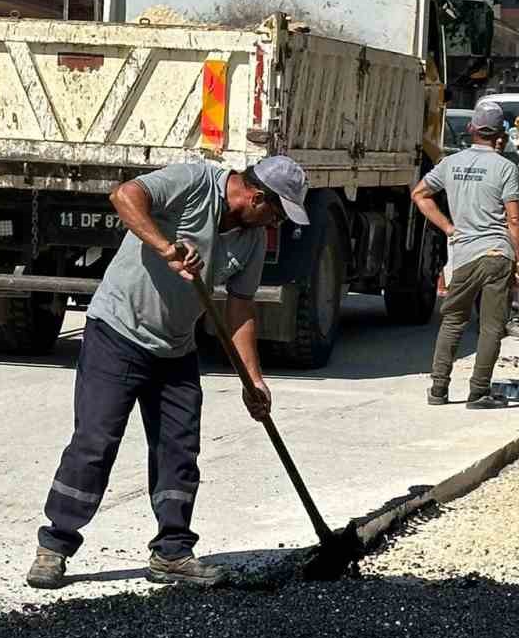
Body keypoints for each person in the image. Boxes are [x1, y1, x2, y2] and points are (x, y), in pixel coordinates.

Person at [27, 155, 310, 591]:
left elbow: (239, 309)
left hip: (176, 348)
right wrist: (166, 248)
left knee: (179, 449)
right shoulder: (195, 181)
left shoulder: (251, 239)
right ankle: (55, 545)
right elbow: (124, 196)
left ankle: (172, 552)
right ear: (256, 197)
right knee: (96, 442)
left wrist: (252, 379)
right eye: (275, 212)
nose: (275, 224)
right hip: (117, 332)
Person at [411, 102, 519, 409]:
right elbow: (514, 219)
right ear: (500, 133)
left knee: (453, 321)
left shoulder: (451, 163)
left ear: (471, 129)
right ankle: (478, 392)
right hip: (496, 255)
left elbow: (419, 194)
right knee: (491, 327)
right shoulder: (505, 168)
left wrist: (449, 227)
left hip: (464, 255)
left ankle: (438, 390)